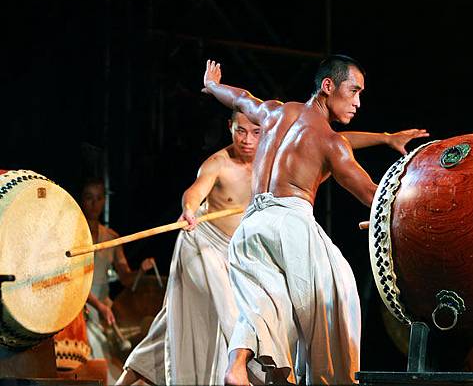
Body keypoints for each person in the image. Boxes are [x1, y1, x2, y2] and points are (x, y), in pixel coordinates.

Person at [115, 108, 427, 385]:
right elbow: (195, 191)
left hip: (240, 253)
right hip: (203, 244)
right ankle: (239, 372)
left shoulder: (272, 159)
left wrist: (385, 138)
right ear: (230, 128)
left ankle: (129, 377)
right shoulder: (220, 162)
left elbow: (335, 140)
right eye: (240, 131)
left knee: (177, 324)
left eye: (255, 132)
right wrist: (189, 209)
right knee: (232, 313)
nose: (247, 139)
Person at [201, 55, 428, 385]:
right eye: (354, 91)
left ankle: (237, 365)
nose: (358, 102)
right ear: (328, 86)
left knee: (267, 303)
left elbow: (239, 98)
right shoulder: (331, 143)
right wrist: (418, 212)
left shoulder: (274, 112)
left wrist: (212, 86)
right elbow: (371, 194)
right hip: (291, 226)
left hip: (250, 227)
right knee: (337, 296)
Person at [79, 177, 155, 384]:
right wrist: (98, 306)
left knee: (120, 353)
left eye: (99, 198)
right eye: (89, 198)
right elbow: (73, 281)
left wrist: (141, 271)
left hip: (104, 308)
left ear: (104, 200)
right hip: (80, 304)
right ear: (82, 200)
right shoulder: (74, 234)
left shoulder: (112, 237)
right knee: (95, 349)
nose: (94, 204)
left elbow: (126, 278)